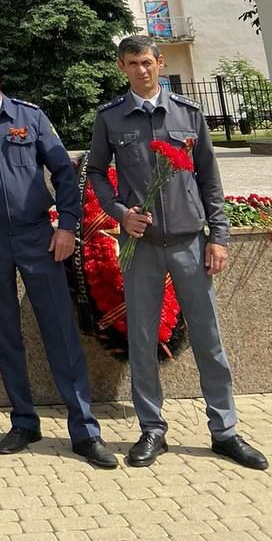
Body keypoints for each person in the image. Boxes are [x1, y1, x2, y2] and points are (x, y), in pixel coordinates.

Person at [88, 35, 268, 470]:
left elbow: (209, 179)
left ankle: (224, 430)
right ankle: (152, 429)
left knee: (209, 339)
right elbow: (94, 171)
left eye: (147, 62)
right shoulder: (112, 118)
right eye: (132, 63)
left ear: (159, 62)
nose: (141, 70)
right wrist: (118, 213)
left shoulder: (188, 114)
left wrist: (219, 237)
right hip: (141, 246)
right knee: (144, 339)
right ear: (122, 67)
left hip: (190, 242)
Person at [0, 55, 116, 468]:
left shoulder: (30, 117)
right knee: (3, 332)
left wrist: (67, 227)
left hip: (38, 235)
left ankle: (84, 429)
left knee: (60, 329)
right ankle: (24, 421)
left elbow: (64, 172)